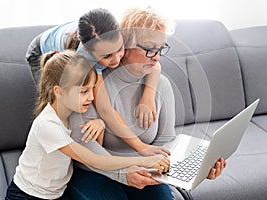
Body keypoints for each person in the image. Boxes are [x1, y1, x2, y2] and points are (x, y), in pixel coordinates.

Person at [67, 7, 227, 200]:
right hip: (94, 171)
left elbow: (165, 142)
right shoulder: (90, 81)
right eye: (150, 50)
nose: (157, 57)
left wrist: (199, 169)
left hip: (143, 169)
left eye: (160, 49)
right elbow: (84, 149)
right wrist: (123, 173)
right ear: (124, 45)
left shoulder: (161, 85)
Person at [5, 50, 170, 200]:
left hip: (55, 194)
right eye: (84, 92)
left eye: (92, 89)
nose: (91, 97)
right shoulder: (47, 126)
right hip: (28, 195)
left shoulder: (71, 116)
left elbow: (95, 144)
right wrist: (144, 161)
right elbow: (94, 160)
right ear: (59, 91)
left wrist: (101, 123)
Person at [26, 8, 169, 157]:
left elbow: (154, 64)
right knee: (63, 107)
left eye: (120, 49)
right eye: (107, 56)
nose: (116, 60)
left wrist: (148, 96)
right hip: (40, 51)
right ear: (89, 52)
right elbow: (105, 109)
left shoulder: (115, 38)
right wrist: (141, 147)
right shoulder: (84, 59)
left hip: (76, 34)